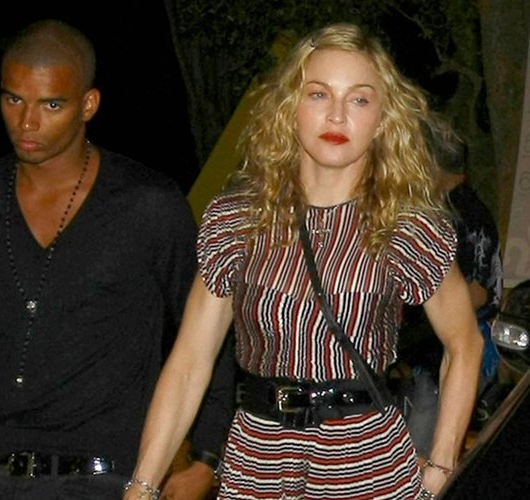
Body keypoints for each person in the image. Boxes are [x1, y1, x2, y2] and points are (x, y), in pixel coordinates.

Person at [123, 22, 484, 500]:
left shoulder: (407, 226)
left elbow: (465, 344)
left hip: (366, 462)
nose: (336, 115)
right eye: (318, 94)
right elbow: (190, 361)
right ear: (289, 106)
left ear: (383, 118)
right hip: (257, 459)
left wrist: (441, 467)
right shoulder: (238, 218)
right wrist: (142, 486)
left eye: (359, 100)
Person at [0, 19, 235, 500]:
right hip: (0, 475)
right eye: (13, 99)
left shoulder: (147, 205)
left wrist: (206, 454)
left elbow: (207, 332)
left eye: (51, 104)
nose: (27, 122)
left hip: (112, 477)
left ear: (88, 105)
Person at [396, 116, 504, 455]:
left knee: (421, 448)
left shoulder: (463, 214)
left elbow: (478, 293)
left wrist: (431, 311)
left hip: (458, 350)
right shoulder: (454, 209)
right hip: (439, 352)